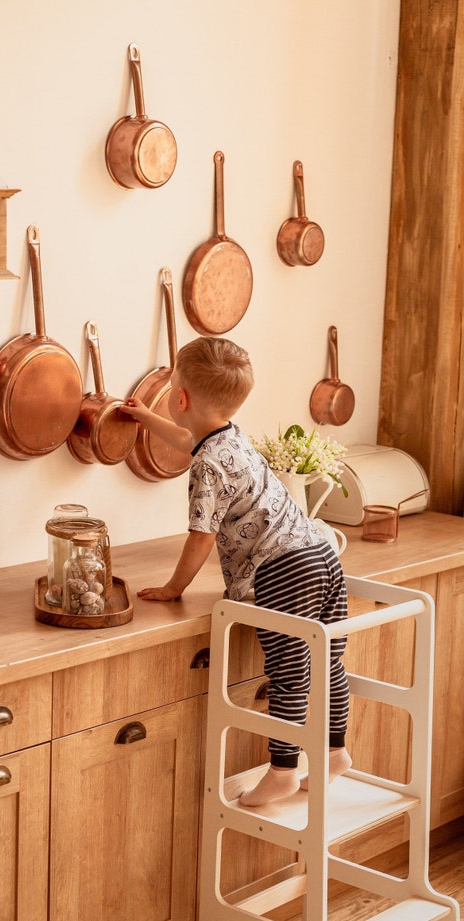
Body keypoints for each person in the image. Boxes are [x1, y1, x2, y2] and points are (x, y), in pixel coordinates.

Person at [124, 336, 351, 807]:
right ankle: (333, 753)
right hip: (320, 553)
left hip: (283, 570)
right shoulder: (229, 437)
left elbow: (201, 537)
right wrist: (145, 417)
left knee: (289, 672)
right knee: (328, 662)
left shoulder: (208, 466)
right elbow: (188, 440)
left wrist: (173, 588)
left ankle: (284, 770)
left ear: (180, 397)